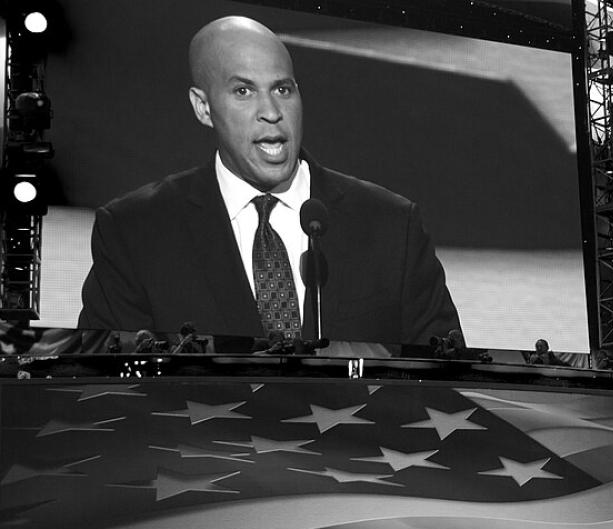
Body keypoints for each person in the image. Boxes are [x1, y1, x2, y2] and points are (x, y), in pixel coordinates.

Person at [78, 16, 461, 347]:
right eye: (243, 91)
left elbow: (446, 379)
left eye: (282, 89)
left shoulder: (392, 225)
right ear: (203, 107)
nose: (272, 112)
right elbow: (111, 390)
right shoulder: (135, 232)